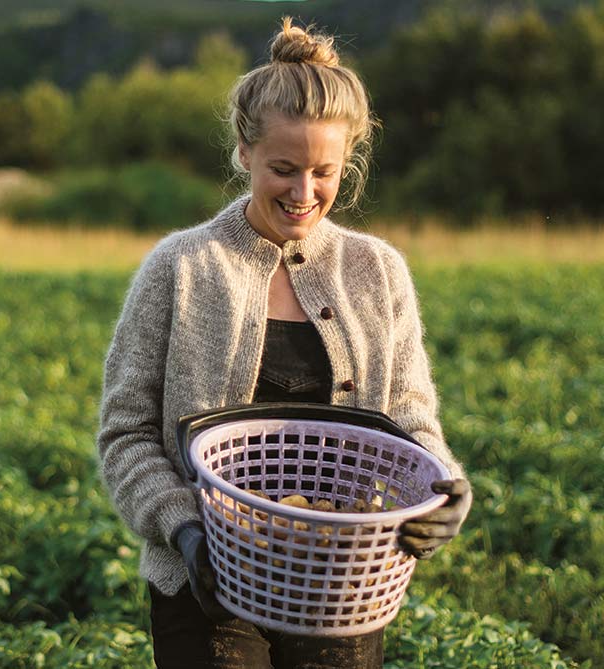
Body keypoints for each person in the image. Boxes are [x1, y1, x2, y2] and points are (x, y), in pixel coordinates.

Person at [97, 17, 472, 669]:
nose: (304, 193)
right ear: (244, 152)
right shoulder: (182, 267)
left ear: (346, 161)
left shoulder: (376, 272)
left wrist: (446, 487)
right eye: (283, 169)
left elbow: (410, 423)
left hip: (341, 583)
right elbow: (126, 432)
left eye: (322, 172)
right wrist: (184, 527)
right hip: (205, 584)